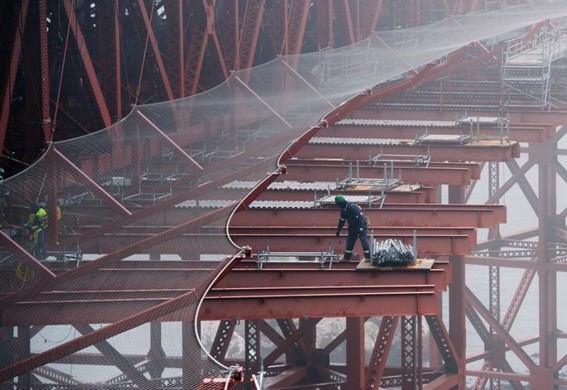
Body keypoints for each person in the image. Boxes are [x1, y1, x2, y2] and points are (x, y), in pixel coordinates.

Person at [334, 195, 371, 261]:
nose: (339, 206)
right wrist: (338, 230)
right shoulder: (343, 210)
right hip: (352, 227)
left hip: (361, 226)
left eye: (339, 204)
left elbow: (360, 218)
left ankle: (368, 257)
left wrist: (361, 229)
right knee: (350, 242)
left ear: (343, 202)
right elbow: (342, 221)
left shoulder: (352, 207)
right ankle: (347, 257)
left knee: (363, 241)